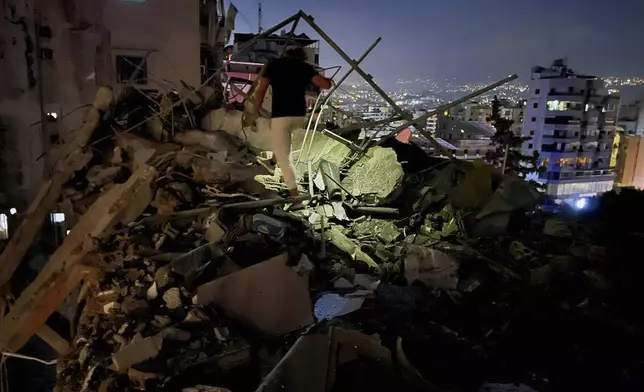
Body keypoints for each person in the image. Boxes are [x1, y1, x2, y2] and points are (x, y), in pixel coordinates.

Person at [250, 47, 332, 196]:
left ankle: (294, 194)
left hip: (281, 116)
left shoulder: (274, 65)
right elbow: (325, 84)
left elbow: (261, 90)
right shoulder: (304, 67)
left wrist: (255, 111)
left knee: (284, 159)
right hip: (299, 116)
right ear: (301, 58)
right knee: (284, 142)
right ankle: (272, 162)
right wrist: (328, 80)